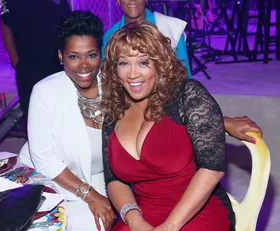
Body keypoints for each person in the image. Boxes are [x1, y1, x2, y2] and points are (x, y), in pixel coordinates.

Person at [101, 22, 235, 231]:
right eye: (124, 63)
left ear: (159, 64)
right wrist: (134, 219)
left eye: (143, 62)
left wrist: (171, 226)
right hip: (142, 216)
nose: (133, 74)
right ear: (114, 71)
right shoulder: (113, 113)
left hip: (195, 212)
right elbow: (114, 180)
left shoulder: (186, 95)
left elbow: (213, 167)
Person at [103, 0, 262, 143]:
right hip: (128, 115)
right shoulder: (109, 36)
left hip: (166, 111)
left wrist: (219, 121)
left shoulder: (169, 27)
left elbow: (183, 83)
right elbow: (111, 84)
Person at [17, 11, 115, 231]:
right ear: (61, 56)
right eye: (73, 56)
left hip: (96, 174)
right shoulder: (45, 91)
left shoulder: (115, 86)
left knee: (95, 229)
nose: (83, 65)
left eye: (91, 55)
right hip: (47, 173)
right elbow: (44, 158)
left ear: (100, 54)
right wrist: (90, 195)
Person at [0, 0, 72, 120]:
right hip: (29, 67)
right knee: (34, 114)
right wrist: (16, 61)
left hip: (59, 66)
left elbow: (68, 23)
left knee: (61, 112)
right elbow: (5, 26)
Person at [103, 0, 192, 78]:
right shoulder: (110, 36)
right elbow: (107, 77)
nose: (132, 0)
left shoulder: (170, 28)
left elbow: (185, 76)